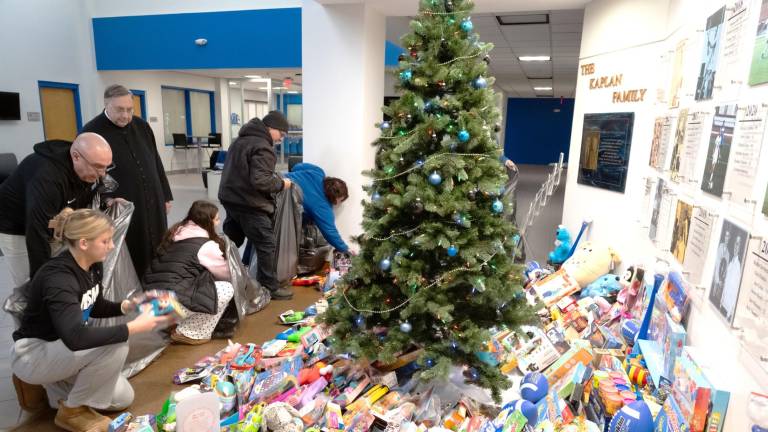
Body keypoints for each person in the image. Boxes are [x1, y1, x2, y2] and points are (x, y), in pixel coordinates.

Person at [11, 208, 171, 431]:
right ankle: (72, 411)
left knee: (123, 398)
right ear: (84, 243)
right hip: (35, 352)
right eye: (105, 241)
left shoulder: (92, 263)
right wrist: (134, 326)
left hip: (64, 352)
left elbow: (93, 304)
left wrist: (127, 306)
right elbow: (76, 337)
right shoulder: (59, 278)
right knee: (115, 344)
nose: (112, 246)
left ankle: (57, 389)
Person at [82, 84, 173, 278]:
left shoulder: (141, 126)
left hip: (153, 196)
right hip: (120, 202)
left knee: (158, 240)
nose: (125, 115)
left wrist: (165, 194)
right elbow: (87, 175)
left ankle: (155, 277)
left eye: (129, 109)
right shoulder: (92, 131)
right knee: (131, 245)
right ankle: (133, 286)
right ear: (106, 104)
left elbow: (155, 160)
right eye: (119, 110)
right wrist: (107, 199)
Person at [0, 133, 113, 286]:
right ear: (76, 156)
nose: (102, 174)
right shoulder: (46, 176)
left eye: (106, 167)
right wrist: (43, 282)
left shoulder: (88, 167)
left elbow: (92, 194)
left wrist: (107, 200)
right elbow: (37, 232)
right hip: (15, 226)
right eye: (98, 167)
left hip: (53, 219)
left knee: (65, 274)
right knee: (31, 282)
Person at [219, 111, 293, 300]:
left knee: (231, 242)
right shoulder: (263, 146)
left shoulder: (239, 141)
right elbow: (261, 181)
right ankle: (270, 287)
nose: (281, 139)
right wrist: (281, 184)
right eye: (281, 134)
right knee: (266, 244)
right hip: (249, 203)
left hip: (231, 198)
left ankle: (218, 277)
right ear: (271, 128)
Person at [143, 200, 234, 345]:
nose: (219, 222)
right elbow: (227, 274)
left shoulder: (174, 234)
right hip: (169, 305)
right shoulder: (206, 245)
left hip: (149, 304)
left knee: (194, 284)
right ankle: (190, 333)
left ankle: (171, 324)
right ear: (207, 222)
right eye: (216, 219)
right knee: (226, 288)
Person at [285, 163, 350, 252]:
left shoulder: (318, 172)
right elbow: (330, 232)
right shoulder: (322, 207)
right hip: (279, 209)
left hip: (276, 181)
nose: (339, 203)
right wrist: (345, 249)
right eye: (340, 200)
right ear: (335, 197)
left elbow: (296, 167)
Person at [720, 233, 743, 322]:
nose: (735, 246)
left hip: (727, 312)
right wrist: (721, 301)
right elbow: (726, 285)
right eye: (735, 243)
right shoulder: (731, 263)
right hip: (722, 306)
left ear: (740, 247)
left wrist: (729, 314)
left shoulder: (738, 267)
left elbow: (735, 292)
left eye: (738, 244)